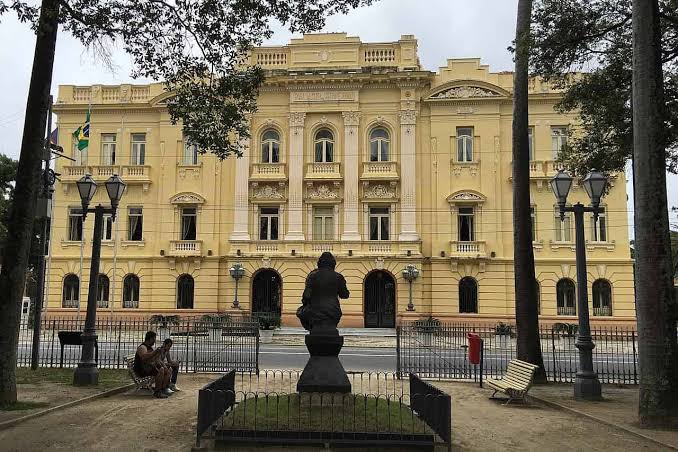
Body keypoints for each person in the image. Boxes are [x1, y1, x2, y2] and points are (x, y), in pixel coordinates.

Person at [297, 252, 350, 332]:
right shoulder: (339, 277)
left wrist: (306, 303)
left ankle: (311, 330)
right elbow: (345, 295)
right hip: (333, 312)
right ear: (333, 264)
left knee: (300, 312)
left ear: (319, 263)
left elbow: (306, 296)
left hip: (314, 312)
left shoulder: (312, 276)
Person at [134, 331, 172, 398]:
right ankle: (157, 392)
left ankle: (163, 389)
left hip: (148, 368)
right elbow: (144, 357)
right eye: (154, 339)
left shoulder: (149, 347)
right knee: (161, 370)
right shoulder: (142, 347)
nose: (154, 341)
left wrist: (159, 359)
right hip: (141, 370)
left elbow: (154, 359)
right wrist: (155, 352)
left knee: (167, 369)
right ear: (151, 339)